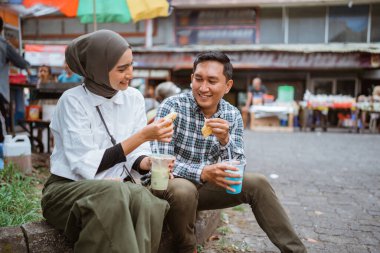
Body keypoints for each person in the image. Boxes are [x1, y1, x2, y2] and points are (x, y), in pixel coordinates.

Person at [153, 51, 307, 253]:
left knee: (258, 183)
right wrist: (202, 172)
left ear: (227, 86)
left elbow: (237, 165)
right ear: (192, 79)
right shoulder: (172, 106)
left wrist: (225, 140)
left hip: (205, 188)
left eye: (212, 81)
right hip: (171, 185)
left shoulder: (231, 114)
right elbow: (162, 163)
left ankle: (296, 251)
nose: (203, 88)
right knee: (184, 190)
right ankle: (188, 249)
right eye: (198, 79)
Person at [41, 30, 174, 253]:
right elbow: (85, 164)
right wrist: (143, 135)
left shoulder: (133, 98)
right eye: (122, 69)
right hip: (67, 189)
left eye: (131, 65)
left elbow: (135, 153)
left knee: (144, 199)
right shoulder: (72, 101)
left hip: (117, 188)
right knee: (115, 194)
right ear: (98, 68)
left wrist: (148, 162)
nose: (130, 74)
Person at [0, 17, 30, 142]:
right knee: (1, 127)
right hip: (0, 91)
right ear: (1, 29)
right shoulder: (4, 45)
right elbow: (21, 63)